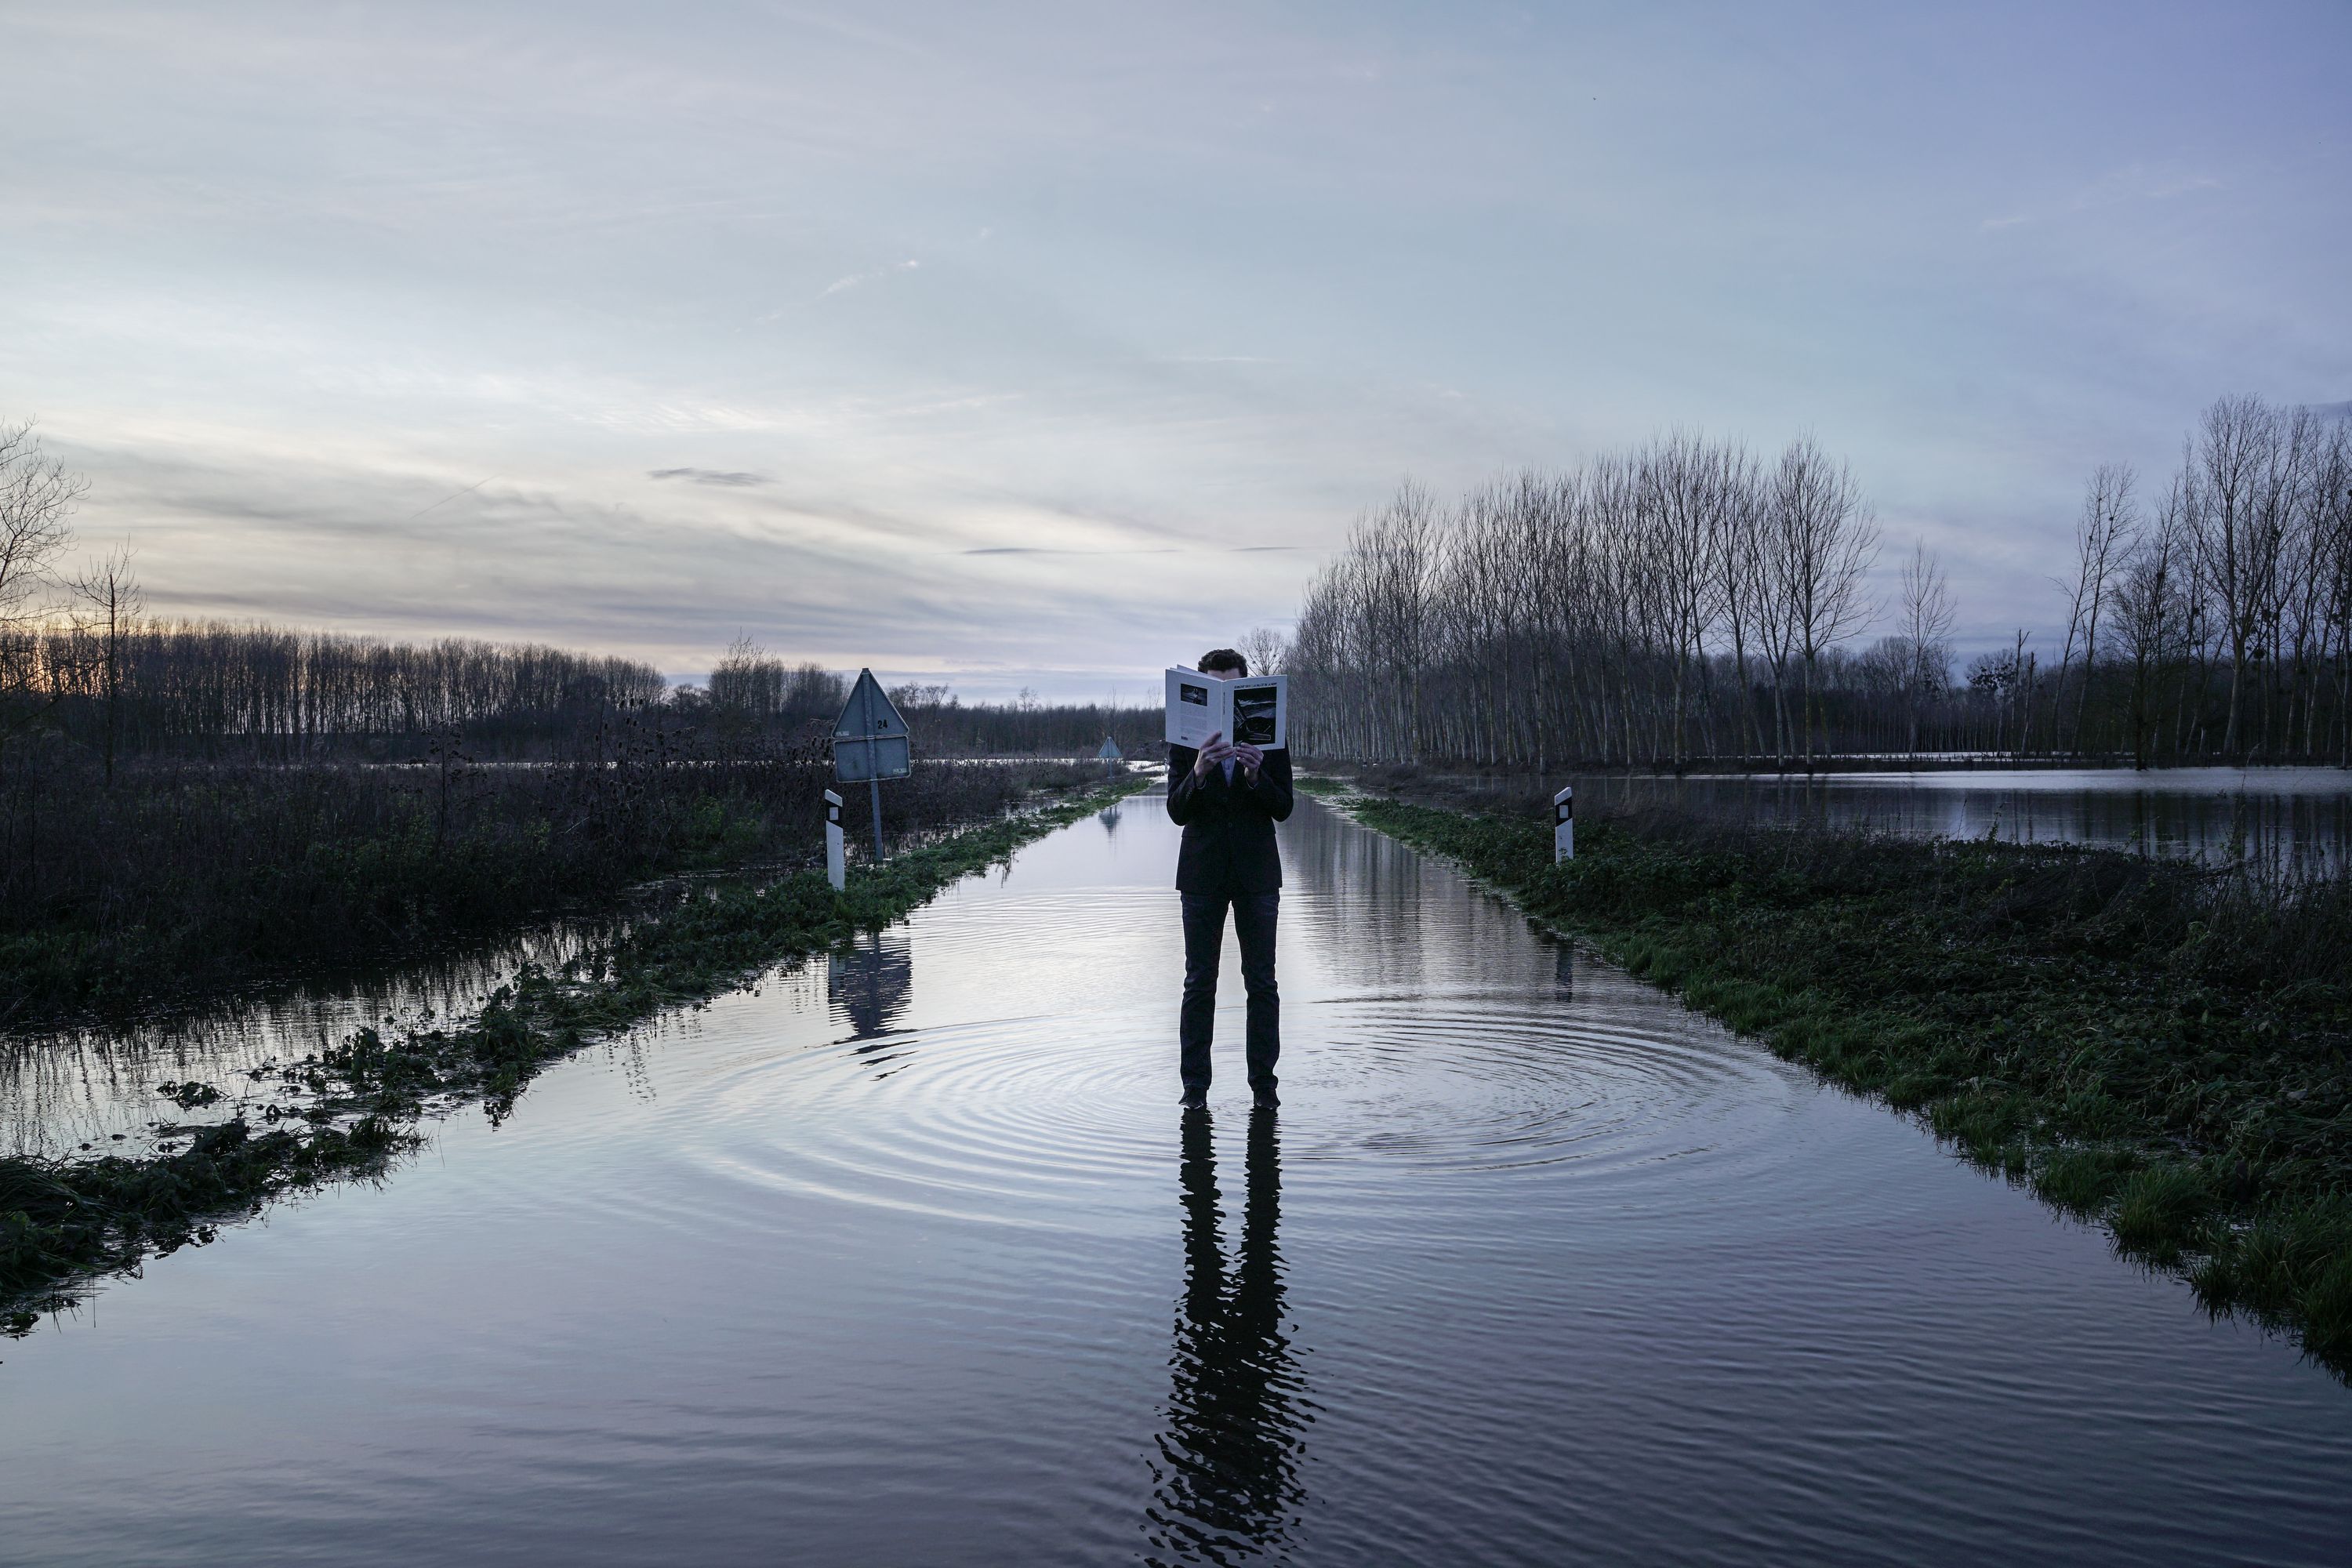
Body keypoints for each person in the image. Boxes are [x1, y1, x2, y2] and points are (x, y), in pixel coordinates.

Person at [1165, 648, 1294, 1110]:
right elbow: (1177, 812)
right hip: (1201, 877)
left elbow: (1284, 808)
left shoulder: (1270, 738)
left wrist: (1257, 775)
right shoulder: (1183, 742)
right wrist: (1198, 772)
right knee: (1199, 982)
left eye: (1231, 685)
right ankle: (1194, 1091)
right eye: (1213, 685)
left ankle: (1264, 1090)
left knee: (1262, 983)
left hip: (1257, 875)